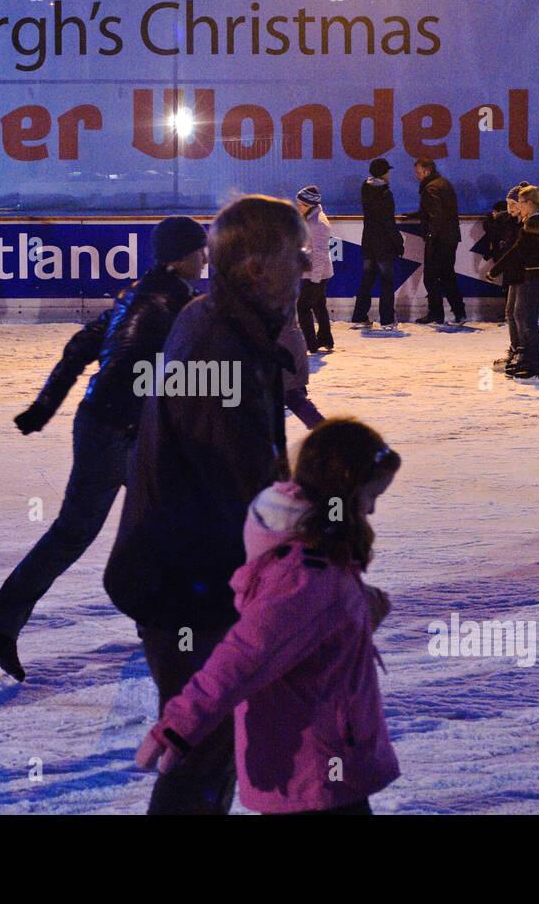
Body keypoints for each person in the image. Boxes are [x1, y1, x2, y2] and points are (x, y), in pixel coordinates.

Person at [104, 195, 307, 814]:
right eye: (293, 256)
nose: (305, 265)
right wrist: (320, 556)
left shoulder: (226, 323)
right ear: (255, 267)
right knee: (206, 744)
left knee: (213, 743)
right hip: (188, 580)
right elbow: (246, 489)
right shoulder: (217, 343)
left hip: (193, 572)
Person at [0, 217, 207, 682]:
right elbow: (161, 372)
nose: (206, 258)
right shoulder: (176, 305)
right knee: (145, 530)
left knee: (106, 532)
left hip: (100, 422)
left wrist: (45, 406)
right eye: (200, 250)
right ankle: (159, 628)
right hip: (127, 433)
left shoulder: (135, 294)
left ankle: (2, 626)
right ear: (180, 256)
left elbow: (80, 346)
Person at [136, 417, 400, 815]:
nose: (373, 508)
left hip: (323, 763)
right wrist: (178, 726)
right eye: (369, 495)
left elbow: (307, 623)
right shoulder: (308, 576)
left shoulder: (317, 554)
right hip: (312, 770)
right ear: (342, 490)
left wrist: (358, 604)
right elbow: (241, 657)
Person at [487, 185, 539, 379]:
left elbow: (518, 251)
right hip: (534, 275)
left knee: (526, 318)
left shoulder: (536, 225)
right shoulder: (538, 222)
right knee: (521, 316)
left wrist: (495, 270)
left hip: (535, 277)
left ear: (529, 203)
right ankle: (526, 358)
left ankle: (533, 363)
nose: (517, 207)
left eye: (520, 203)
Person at [409, 157, 465, 324]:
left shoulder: (431, 188)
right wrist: (416, 215)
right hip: (450, 237)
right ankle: (459, 312)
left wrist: (431, 236)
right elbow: (437, 211)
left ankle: (436, 313)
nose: (416, 175)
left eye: (418, 172)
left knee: (431, 277)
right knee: (448, 275)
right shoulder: (443, 184)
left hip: (439, 239)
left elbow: (436, 215)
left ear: (427, 171)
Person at [351, 159, 402, 331]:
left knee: (367, 281)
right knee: (387, 282)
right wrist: (398, 242)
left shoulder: (365, 189)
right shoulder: (385, 194)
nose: (389, 174)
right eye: (387, 171)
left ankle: (359, 316)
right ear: (383, 173)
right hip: (383, 245)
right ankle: (387, 320)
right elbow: (388, 223)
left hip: (368, 242)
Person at [295, 185, 334, 352]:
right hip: (314, 272)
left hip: (317, 273)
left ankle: (311, 344)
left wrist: (315, 278)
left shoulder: (319, 223)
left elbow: (320, 254)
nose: (298, 207)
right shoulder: (309, 218)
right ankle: (326, 339)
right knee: (318, 305)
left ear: (310, 205)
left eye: (301, 204)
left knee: (303, 307)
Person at [474, 199, 520, 323]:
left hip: (507, 258)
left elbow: (492, 230)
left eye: (494, 211)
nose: (493, 214)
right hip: (506, 257)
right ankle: (510, 313)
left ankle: (511, 314)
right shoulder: (510, 221)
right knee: (509, 286)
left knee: (509, 286)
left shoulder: (503, 221)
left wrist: (488, 219)